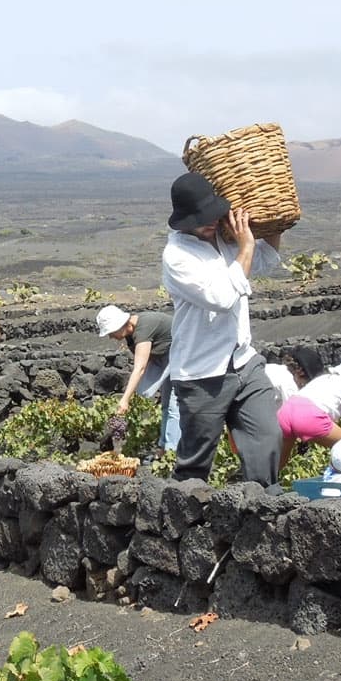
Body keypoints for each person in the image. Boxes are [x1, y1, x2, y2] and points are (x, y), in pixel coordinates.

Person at [161, 172, 285, 485]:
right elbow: (223, 298)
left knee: (267, 438)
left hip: (244, 362)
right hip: (202, 373)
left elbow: (265, 259)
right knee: (196, 461)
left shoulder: (224, 238)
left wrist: (273, 223)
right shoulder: (177, 256)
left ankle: (263, 504)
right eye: (202, 219)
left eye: (213, 215)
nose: (211, 222)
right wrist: (246, 246)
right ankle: (183, 509)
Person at [94, 304, 181, 452]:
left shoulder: (144, 329)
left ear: (120, 325)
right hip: (166, 358)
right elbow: (146, 362)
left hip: (182, 355)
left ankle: (172, 451)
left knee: (174, 404)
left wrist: (125, 399)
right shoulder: (131, 335)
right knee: (166, 404)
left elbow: (140, 368)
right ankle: (164, 447)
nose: (110, 337)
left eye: (111, 332)